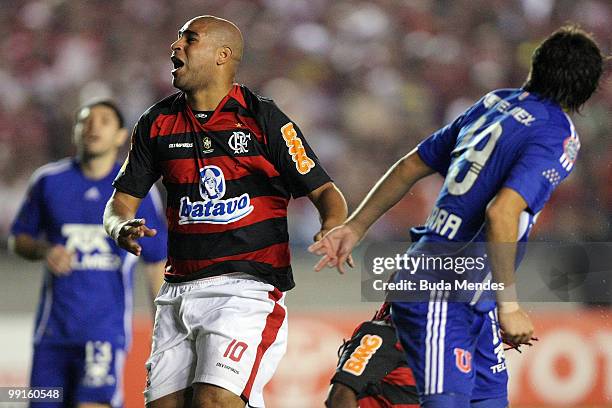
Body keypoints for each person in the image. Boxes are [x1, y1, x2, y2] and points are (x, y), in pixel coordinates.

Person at [310, 25, 605, 408]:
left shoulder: (493, 103)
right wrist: (510, 306)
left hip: (470, 299)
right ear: (584, 91)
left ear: (536, 67)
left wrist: (356, 226)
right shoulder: (557, 133)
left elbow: (409, 166)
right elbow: (502, 212)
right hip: (439, 291)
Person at [103, 15, 348, 408]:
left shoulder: (263, 118)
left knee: (215, 400)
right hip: (177, 291)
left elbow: (324, 189)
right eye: (177, 40)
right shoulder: (156, 122)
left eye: (189, 40)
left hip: (245, 288)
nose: (175, 47)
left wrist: (333, 225)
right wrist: (118, 227)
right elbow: (120, 203)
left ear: (222, 55)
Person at [9, 100, 167, 408]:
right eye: (86, 120)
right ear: (75, 131)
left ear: (122, 136)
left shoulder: (136, 193)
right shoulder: (49, 181)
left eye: (104, 120)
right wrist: (44, 250)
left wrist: (164, 332)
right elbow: (19, 239)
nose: (93, 126)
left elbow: (155, 262)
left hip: (103, 334)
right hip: (51, 337)